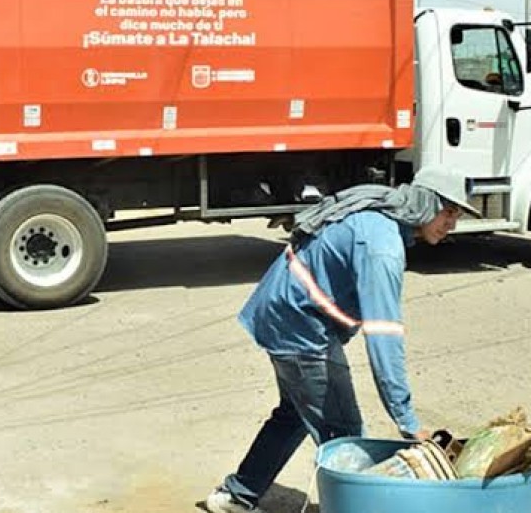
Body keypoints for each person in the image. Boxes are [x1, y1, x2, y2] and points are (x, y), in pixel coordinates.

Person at [203, 165, 480, 513]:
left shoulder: (380, 217)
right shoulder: (383, 246)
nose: (452, 222)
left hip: (283, 313)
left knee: (295, 413)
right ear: (424, 203)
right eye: (449, 211)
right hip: (300, 329)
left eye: (457, 214)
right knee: (345, 436)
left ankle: (236, 495)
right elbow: (384, 336)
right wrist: (407, 422)